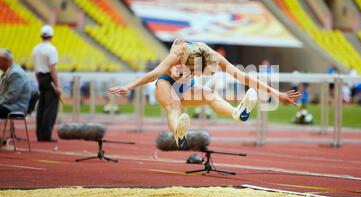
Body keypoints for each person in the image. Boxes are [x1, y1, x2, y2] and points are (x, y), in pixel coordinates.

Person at [110, 39, 300, 149]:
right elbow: (153, 74)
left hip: (186, 86)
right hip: (166, 82)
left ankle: (236, 112)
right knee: (173, 105)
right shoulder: (177, 54)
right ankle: (178, 132)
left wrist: (277, 93)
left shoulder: (213, 57)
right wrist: (129, 86)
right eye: (196, 71)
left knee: (209, 94)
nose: (199, 74)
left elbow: (244, 77)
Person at [32, 25, 61, 142]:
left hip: (40, 78)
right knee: (50, 108)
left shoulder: (35, 49)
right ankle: (46, 135)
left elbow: (35, 68)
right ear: (51, 36)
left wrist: (39, 80)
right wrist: (58, 86)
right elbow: (53, 68)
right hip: (49, 78)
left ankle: (39, 134)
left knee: (41, 107)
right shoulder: (51, 49)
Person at [0, 48, 31, 119]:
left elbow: (11, 97)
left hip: (16, 107)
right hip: (10, 105)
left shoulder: (15, 73)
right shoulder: (8, 72)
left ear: (5, 60)